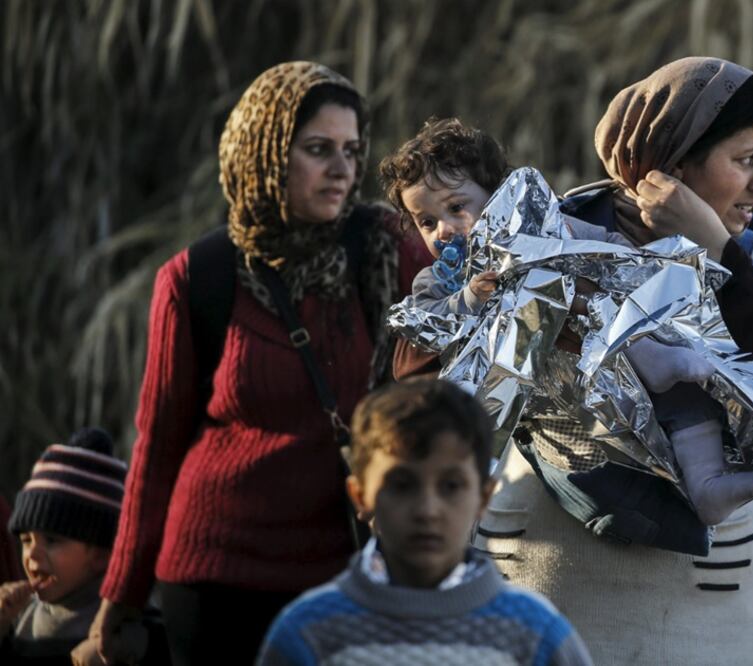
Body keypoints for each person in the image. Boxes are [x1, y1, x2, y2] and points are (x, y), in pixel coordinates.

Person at [396, 57, 753, 663]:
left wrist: (714, 247)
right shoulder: (552, 230)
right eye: (745, 159)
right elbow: (428, 383)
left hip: (712, 615)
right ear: (672, 162)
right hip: (554, 599)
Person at [83, 62, 428, 666]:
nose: (342, 169)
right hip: (217, 579)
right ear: (265, 153)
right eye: (318, 149)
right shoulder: (199, 277)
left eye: (351, 150)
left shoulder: (385, 247)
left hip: (347, 571)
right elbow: (158, 447)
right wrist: (121, 595)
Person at [382, 117, 753, 527]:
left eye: (456, 208)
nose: (443, 230)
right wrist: (468, 298)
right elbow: (425, 324)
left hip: (617, 348)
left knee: (686, 386)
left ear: (498, 196)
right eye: (427, 222)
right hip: (560, 396)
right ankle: (652, 365)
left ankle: (706, 482)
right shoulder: (438, 280)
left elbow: (606, 245)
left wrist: (603, 260)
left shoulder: (548, 226)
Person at [257, 379, 592, 665]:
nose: (427, 510)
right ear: (360, 497)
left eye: (451, 486)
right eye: (402, 485)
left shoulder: (535, 633)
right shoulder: (309, 633)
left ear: (483, 497)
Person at [1, 428, 166, 664]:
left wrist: (115, 652)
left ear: (101, 555)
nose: (32, 554)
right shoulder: (20, 619)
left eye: (52, 540)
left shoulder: (129, 626)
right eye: (26, 540)